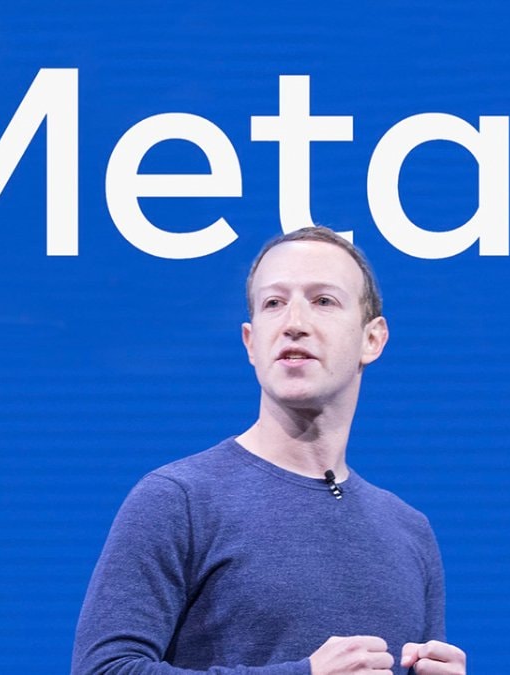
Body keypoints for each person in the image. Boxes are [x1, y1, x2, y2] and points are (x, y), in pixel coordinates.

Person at [71, 227, 466, 675]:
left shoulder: (410, 530)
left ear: (371, 339)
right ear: (251, 342)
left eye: (323, 301)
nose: (294, 322)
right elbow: (103, 670)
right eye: (274, 303)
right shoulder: (178, 500)